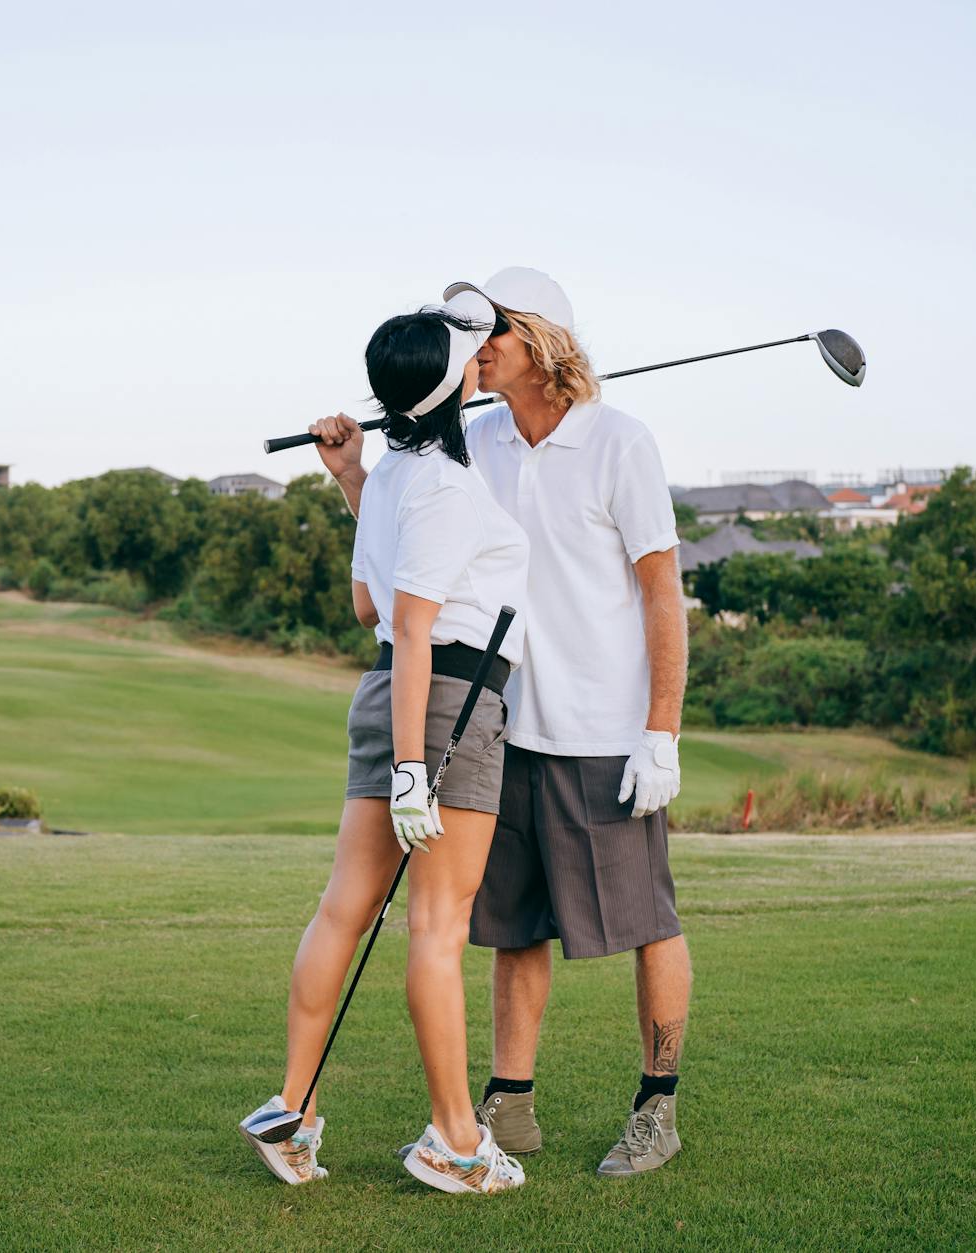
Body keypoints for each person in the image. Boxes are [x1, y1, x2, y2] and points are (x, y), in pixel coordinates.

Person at [307, 267, 691, 1179]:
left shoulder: (621, 444)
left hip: (602, 729)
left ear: (543, 342)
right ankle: (508, 1105)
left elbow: (662, 595)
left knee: (647, 920)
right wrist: (357, 474)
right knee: (511, 927)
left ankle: (656, 1107)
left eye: (493, 336)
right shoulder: (474, 440)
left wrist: (662, 730)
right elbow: (413, 569)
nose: (473, 352)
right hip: (493, 724)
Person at [241, 293, 530, 1195]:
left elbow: (367, 605)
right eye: (471, 355)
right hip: (442, 707)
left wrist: (348, 476)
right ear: (454, 384)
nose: (483, 360)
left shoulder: (400, 475)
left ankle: (292, 1110)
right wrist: (416, 770)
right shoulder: (442, 484)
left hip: (394, 698)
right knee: (437, 931)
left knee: (344, 910)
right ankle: (455, 1140)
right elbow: (408, 625)